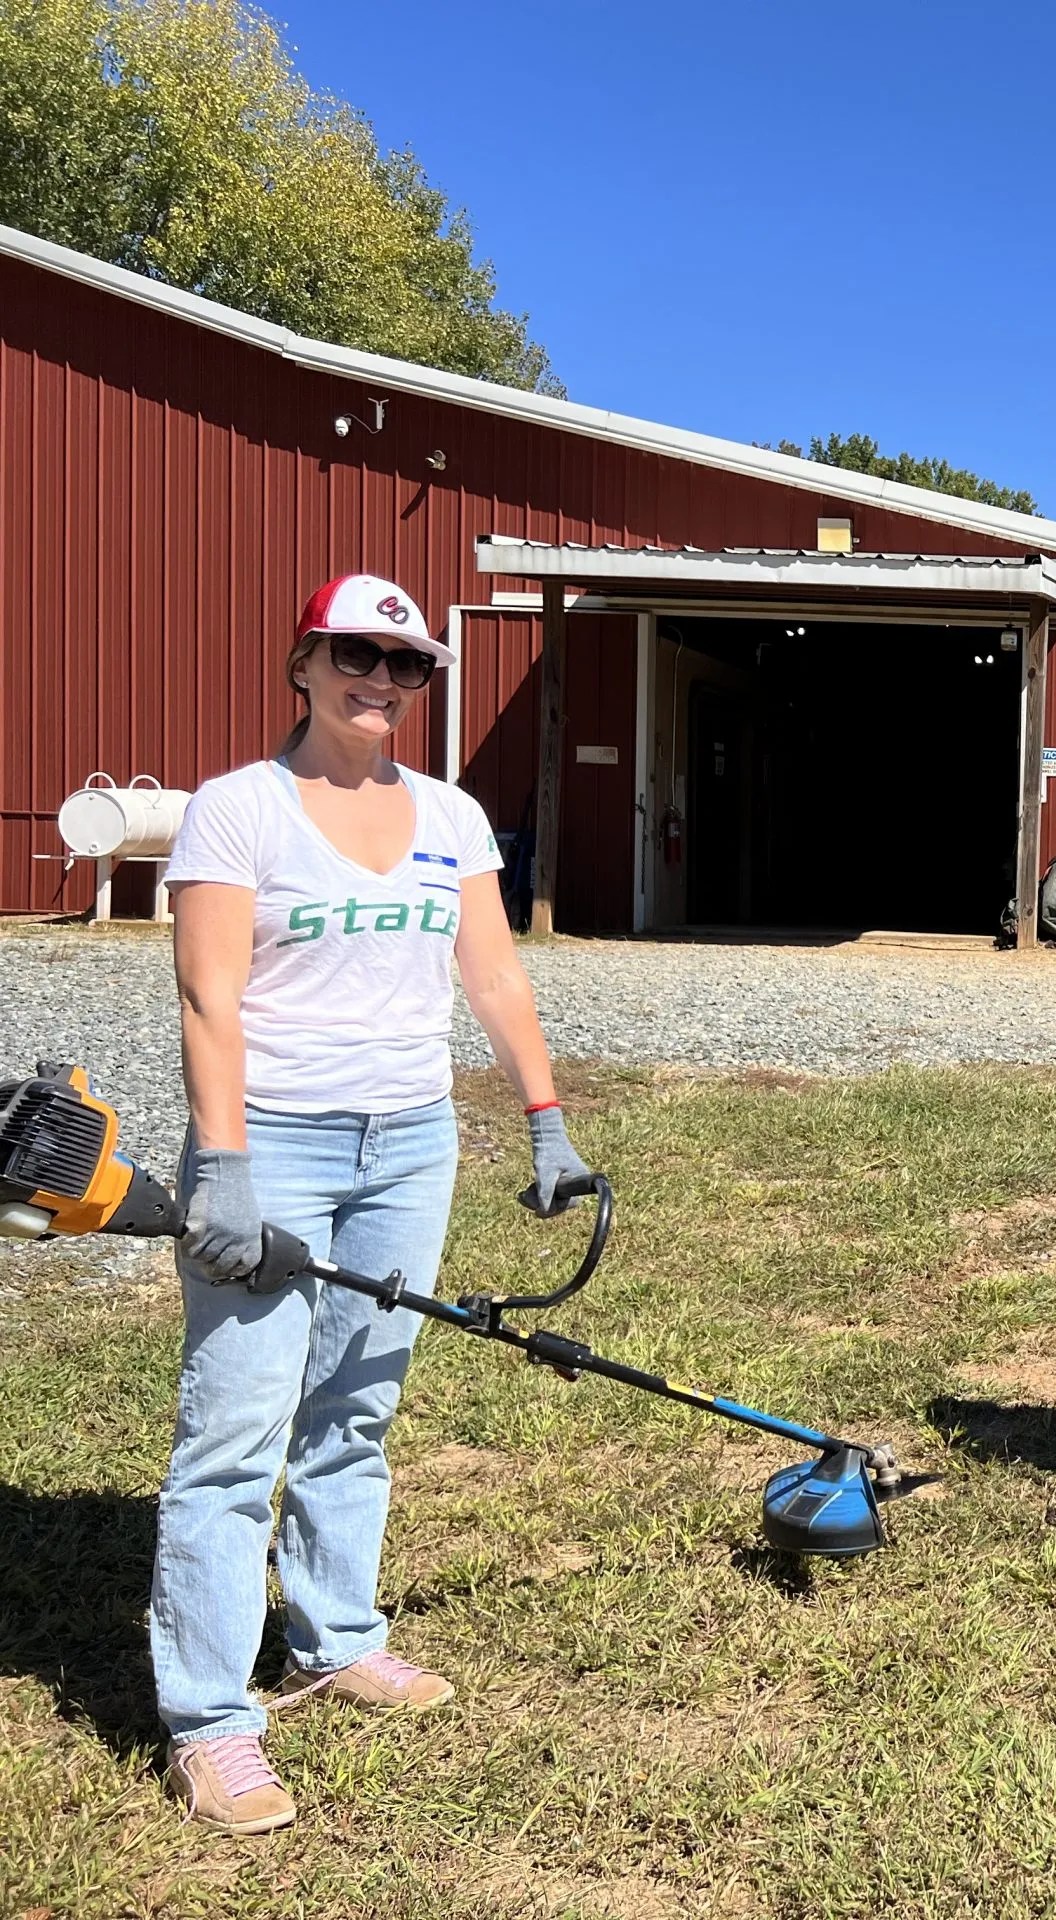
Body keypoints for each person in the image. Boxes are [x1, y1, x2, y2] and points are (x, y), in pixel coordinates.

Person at [153, 573, 594, 1833]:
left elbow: (494, 970)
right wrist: (224, 1168)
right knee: (235, 1433)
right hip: (274, 1146)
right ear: (302, 661)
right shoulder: (237, 813)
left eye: (408, 667)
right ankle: (209, 1719)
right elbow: (209, 999)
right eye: (358, 654)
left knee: (358, 1405)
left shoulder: (450, 814)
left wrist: (546, 1116)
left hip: (411, 1145)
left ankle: (334, 1638)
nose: (383, 682)